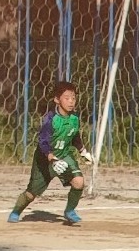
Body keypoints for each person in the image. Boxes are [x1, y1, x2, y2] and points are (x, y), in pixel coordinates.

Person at [7, 81, 93, 225]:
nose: (71, 101)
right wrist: (51, 157)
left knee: (79, 182)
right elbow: (43, 142)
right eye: (67, 98)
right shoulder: (50, 119)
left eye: (73, 98)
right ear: (57, 100)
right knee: (31, 194)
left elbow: (75, 136)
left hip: (64, 155)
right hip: (45, 160)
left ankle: (69, 211)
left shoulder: (74, 118)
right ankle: (16, 211)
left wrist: (83, 151)